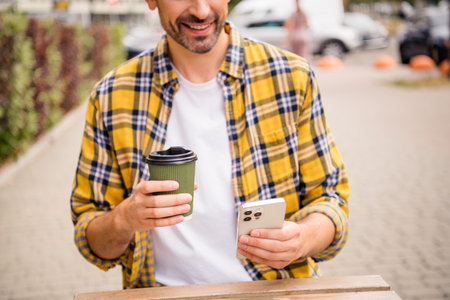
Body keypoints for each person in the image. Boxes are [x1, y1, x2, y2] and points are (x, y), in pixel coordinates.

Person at [71, 0, 350, 289]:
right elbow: (91, 239)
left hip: (271, 290)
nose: (201, 11)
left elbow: (332, 201)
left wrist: (302, 238)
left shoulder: (292, 77)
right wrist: (125, 218)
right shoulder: (111, 95)